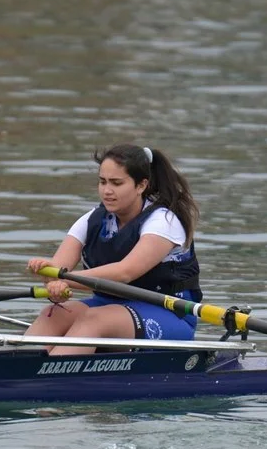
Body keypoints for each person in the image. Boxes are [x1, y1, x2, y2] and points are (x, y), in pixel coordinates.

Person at [25, 143, 201, 356]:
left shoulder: (164, 221)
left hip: (169, 312)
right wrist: (50, 275)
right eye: (103, 182)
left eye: (117, 183)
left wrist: (64, 279)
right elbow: (59, 269)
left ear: (141, 185)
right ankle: (14, 365)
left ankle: (44, 373)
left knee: (95, 319)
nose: (107, 191)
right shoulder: (91, 220)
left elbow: (125, 272)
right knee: (55, 313)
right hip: (108, 305)